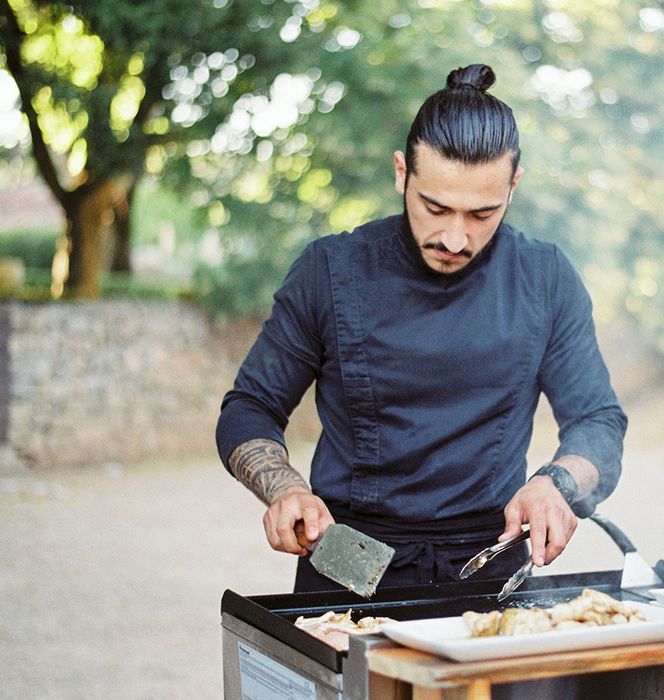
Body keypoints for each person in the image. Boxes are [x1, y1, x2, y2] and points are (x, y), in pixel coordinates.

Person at [216, 63, 627, 593]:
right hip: (347, 560)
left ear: (513, 185)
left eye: (482, 213)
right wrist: (286, 490)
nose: (455, 238)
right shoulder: (329, 270)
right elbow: (249, 407)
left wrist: (556, 484)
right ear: (400, 173)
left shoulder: (545, 277)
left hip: (490, 564)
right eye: (435, 207)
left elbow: (598, 422)